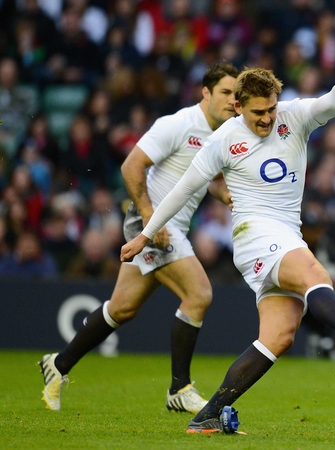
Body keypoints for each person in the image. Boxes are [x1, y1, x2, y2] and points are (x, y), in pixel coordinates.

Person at [120, 49, 335, 434]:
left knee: (278, 337)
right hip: (255, 235)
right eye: (258, 112)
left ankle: (207, 416)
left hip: (286, 234)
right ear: (237, 107)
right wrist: (145, 233)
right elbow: (183, 190)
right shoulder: (222, 140)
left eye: (271, 108)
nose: (267, 118)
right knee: (313, 272)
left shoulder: (293, 116)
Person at [38, 63, 241, 414]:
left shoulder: (222, 135)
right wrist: (149, 217)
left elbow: (209, 181)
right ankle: (179, 389)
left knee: (122, 308)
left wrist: (227, 195)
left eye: (235, 95)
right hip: (152, 224)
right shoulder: (177, 124)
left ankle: (58, 363)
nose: (231, 100)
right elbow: (131, 165)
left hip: (168, 227)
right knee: (199, 294)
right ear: (205, 92)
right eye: (224, 92)